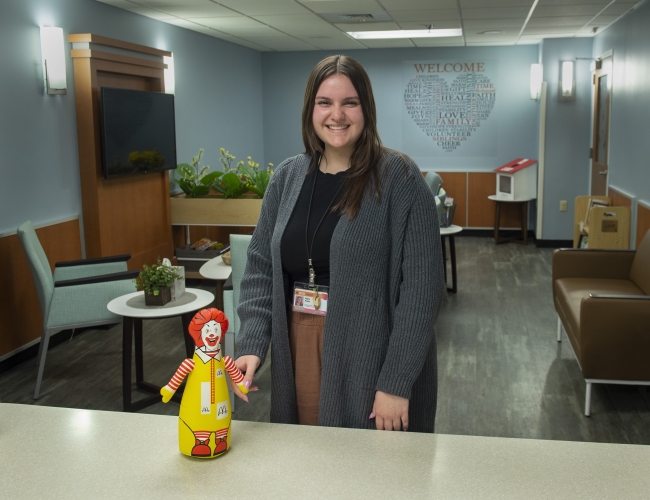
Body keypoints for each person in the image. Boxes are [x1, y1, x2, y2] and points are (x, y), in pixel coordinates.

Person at [232, 55, 444, 433]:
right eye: (325, 103)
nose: (337, 115)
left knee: (372, 472)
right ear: (310, 110)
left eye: (350, 103)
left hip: (372, 351)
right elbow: (262, 267)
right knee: (308, 460)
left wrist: (395, 382)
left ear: (366, 109)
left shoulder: (400, 178)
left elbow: (422, 293)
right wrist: (251, 342)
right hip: (300, 341)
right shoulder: (287, 177)